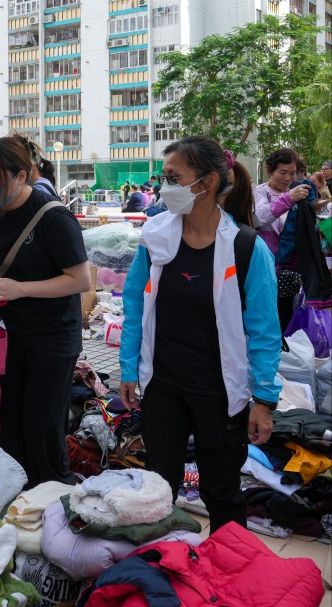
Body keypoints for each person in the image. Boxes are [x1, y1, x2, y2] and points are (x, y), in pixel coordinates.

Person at [119, 136, 281, 532]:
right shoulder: (155, 239)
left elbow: (264, 331)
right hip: (163, 384)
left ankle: (229, 562)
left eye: (173, 178)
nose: (164, 187)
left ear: (206, 183)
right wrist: (128, 368)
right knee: (157, 487)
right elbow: (135, 306)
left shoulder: (246, 248)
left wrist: (264, 399)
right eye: (163, 177)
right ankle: (161, 558)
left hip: (219, 391)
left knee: (221, 490)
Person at [0, 134, 92, 486]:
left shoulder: (53, 217)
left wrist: (20, 289)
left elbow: (80, 280)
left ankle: (53, 493)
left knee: (42, 425)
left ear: (21, 176)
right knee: (7, 423)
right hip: (7, 334)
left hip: (52, 336)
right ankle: (14, 493)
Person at [254, 148, 308, 330]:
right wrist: (288, 199)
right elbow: (259, 218)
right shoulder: (259, 192)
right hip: (266, 266)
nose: (288, 178)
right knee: (267, 313)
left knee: (286, 314)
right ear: (269, 170)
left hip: (289, 270)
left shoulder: (297, 194)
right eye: (282, 172)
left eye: (292, 173)